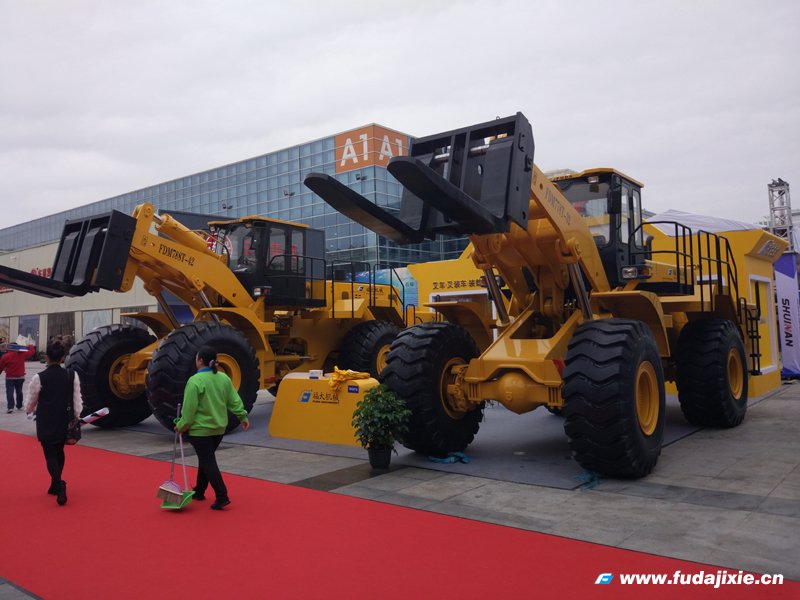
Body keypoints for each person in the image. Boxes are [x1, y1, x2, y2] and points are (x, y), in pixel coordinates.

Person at [174, 346, 249, 510]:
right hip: (219, 429)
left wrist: (181, 426)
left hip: (200, 430)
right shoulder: (223, 378)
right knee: (206, 459)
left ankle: (222, 496)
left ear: (200, 360)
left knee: (208, 462)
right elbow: (234, 400)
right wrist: (242, 416)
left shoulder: (195, 381)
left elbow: (189, 410)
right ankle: (199, 491)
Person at [23, 341, 83, 506]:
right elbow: (77, 398)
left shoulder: (39, 377)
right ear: (63, 358)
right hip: (65, 418)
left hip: (46, 419)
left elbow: (31, 400)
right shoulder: (71, 375)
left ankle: (59, 483)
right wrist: (77, 416)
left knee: (50, 454)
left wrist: (29, 410)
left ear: (46, 357)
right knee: (59, 451)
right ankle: (54, 484)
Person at [0, 341, 36, 413]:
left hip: (10, 377)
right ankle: (19, 405)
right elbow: (32, 352)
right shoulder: (22, 354)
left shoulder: (5, 356)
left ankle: (10, 407)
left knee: (9, 392)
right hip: (20, 377)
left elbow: (1, 366)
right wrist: (30, 346)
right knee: (19, 391)